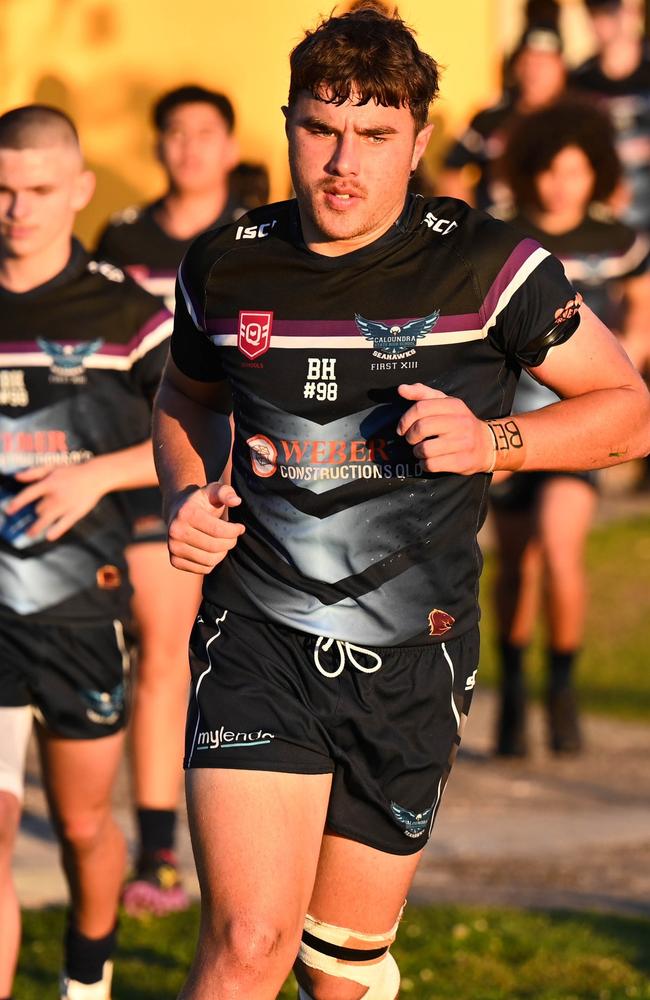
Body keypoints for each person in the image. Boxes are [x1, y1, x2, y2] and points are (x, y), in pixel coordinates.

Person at [152, 8, 650, 998]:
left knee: (337, 972)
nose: (343, 162)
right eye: (319, 129)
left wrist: (491, 441)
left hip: (412, 656)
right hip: (259, 636)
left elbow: (626, 410)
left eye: (375, 136)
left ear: (419, 141)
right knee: (250, 939)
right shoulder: (226, 261)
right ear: (286, 122)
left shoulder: (486, 265)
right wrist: (185, 488)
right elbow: (182, 396)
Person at [0, 104, 171, 1000]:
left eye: (36, 190)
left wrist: (96, 476)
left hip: (78, 608)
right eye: (0, 190)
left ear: (79, 190)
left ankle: (87, 981)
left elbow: (205, 436)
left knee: (80, 824)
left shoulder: (129, 314)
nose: (16, 210)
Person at [95, 84, 241, 915]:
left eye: (203, 133)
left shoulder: (256, 235)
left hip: (250, 475)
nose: (187, 148)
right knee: (160, 642)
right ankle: (157, 852)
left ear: (228, 145)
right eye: (173, 134)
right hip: (146, 466)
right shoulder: (122, 239)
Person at [489, 100, 650, 756]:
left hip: (580, 423)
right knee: (513, 565)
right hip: (506, 422)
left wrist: (622, 374)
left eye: (576, 171)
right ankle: (515, 689)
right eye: (551, 170)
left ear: (597, 173)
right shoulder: (502, 237)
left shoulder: (619, 242)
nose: (562, 184)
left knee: (560, 550)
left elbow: (641, 315)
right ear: (530, 171)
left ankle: (561, 684)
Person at [438, 22, 567, 211]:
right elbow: (451, 170)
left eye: (544, 63)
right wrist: (467, 227)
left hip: (555, 232)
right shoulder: (490, 119)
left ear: (561, 68)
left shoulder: (576, 121)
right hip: (498, 230)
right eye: (528, 62)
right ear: (517, 66)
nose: (535, 72)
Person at [570, 0, 650, 235]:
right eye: (597, 12)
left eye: (614, 11)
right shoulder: (579, 83)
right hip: (604, 228)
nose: (606, 21)